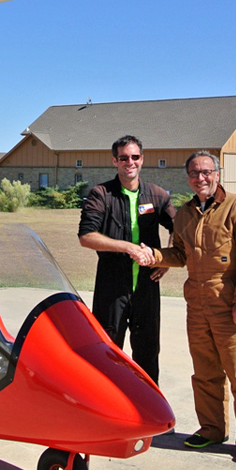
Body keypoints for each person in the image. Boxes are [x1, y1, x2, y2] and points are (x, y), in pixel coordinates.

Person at [142, 150, 236, 462]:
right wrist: (155, 256)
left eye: (207, 172)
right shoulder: (185, 214)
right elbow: (181, 255)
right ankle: (211, 429)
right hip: (197, 307)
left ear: (217, 174)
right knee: (204, 373)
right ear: (188, 178)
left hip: (229, 307)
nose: (201, 178)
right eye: (195, 173)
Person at [78, 135, 175, 383]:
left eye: (134, 157)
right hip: (112, 288)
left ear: (142, 159)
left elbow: (181, 229)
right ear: (114, 161)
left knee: (148, 354)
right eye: (123, 158)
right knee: (107, 354)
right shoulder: (101, 194)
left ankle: (149, 413)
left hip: (147, 287)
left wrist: (165, 259)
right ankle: (106, 412)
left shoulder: (157, 195)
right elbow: (87, 236)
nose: (129, 162)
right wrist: (128, 247)